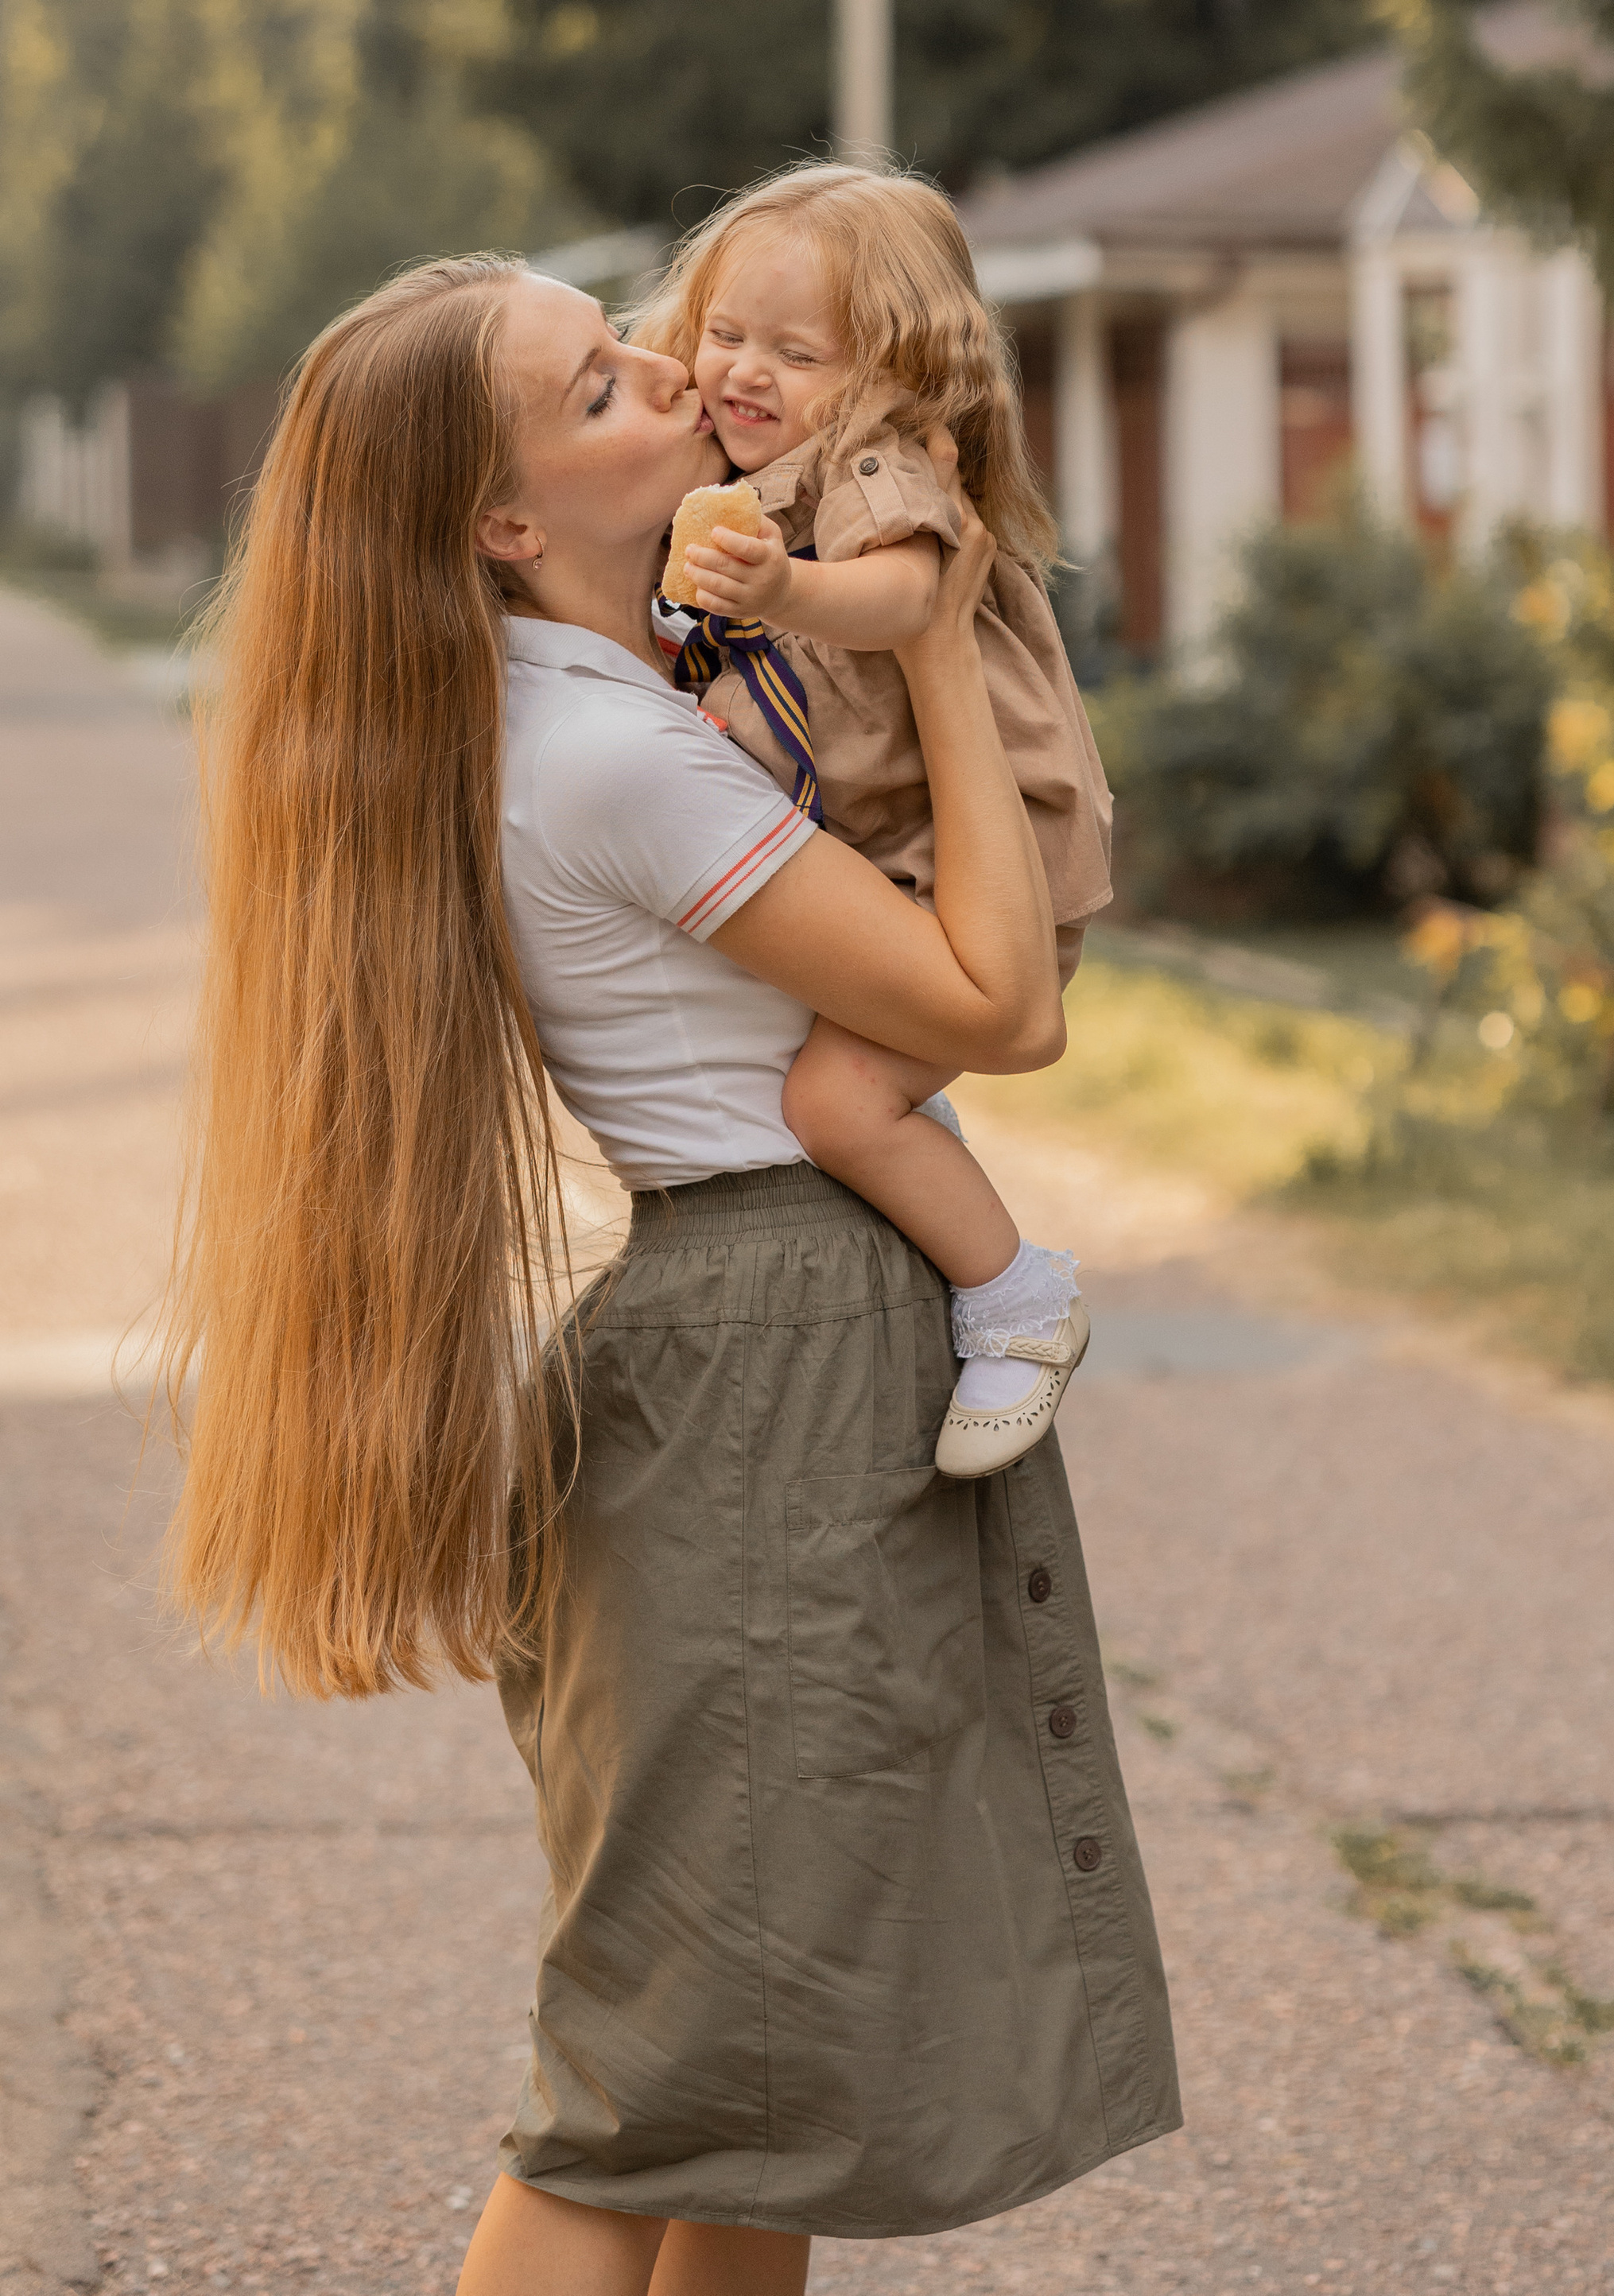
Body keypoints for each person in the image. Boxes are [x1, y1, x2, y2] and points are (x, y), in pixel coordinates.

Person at [161, 254, 1178, 2296]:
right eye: (602, 384)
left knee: (759, 2081)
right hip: (772, 1352)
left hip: (772, 1333)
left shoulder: (617, 710)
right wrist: (963, 628)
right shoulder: (615, 760)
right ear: (508, 523)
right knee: (652, 2088)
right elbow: (998, 997)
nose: (671, 370)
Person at [633, 165, 1112, 1479]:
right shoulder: (737, 478)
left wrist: (785, 583)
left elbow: (909, 602)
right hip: (891, 857)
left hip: (983, 854)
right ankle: (934, 1181)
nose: (745, 372)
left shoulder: (867, 464)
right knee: (826, 1073)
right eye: (727, 333)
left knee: (834, 1101)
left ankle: (1021, 1298)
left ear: (892, 374)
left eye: (798, 352)